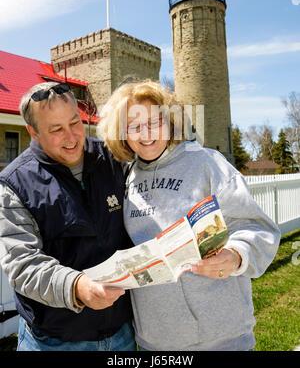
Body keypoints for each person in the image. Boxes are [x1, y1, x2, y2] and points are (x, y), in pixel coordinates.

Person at [98, 79, 281, 352]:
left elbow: (258, 228)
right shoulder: (126, 178)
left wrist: (235, 256)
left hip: (224, 337)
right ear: (122, 133)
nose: (145, 133)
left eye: (154, 122)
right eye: (134, 126)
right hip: (155, 342)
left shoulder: (206, 163)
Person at [0, 81, 136, 351]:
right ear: (33, 132)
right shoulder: (13, 184)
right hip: (52, 341)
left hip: (122, 334)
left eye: (75, 123)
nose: (72, 137)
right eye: (56, 130)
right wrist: (77, 287)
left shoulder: (113, 158)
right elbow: (21, 265)